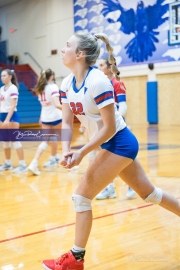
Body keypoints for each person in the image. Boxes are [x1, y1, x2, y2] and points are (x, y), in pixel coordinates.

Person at [42, 33, 180, 270]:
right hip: (109, 144)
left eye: (67, 45)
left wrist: (82, 153)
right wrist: (66, 150)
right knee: (150, 194)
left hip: (120, 143)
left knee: (81, 196)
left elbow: (110, 128)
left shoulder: (98, 81)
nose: (62, 49)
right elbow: (66, 122)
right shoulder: (66, 83)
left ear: (80, 54)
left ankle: (75, 260)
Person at [96, 56, 136, 199]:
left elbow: (123, 106)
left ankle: (132, 185)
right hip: (107, 126)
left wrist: (113, 120)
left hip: (117, 127)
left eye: (101, 65)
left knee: (122, 158)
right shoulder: (102, 83)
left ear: (109, 67)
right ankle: (110, 188)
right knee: (108, 158)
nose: (98, 68)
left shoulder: (117, 83)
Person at [28, 69, 62, 175]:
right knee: (59, 138)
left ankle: (35, 162)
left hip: (46, 118)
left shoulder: (40, 88)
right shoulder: (53, 87)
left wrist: (41, 118)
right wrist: (70, 109)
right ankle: (54, 158)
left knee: (46, 140)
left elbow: (43, 105)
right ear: (51, 76)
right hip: (56, 117)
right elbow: (57, 104)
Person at [0, 69, 27, 172]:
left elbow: (13, 106)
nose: (2, 78)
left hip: (11, 116)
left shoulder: (13, 88)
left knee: (15, 141)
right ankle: (7, 163)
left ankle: (22, 165)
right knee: (5, 142)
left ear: (10, 77)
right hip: (2, 116)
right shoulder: (1, 89)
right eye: (1, 76)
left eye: (4, 76)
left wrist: (7, 119)